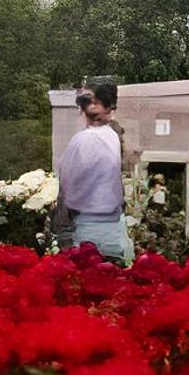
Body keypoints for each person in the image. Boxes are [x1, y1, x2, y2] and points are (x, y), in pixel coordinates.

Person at [53, 78, 133, 263]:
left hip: (89, 233)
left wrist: (62, 232)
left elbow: (68, 188)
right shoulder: (112, 135)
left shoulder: (88, 139)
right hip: (112, 230)